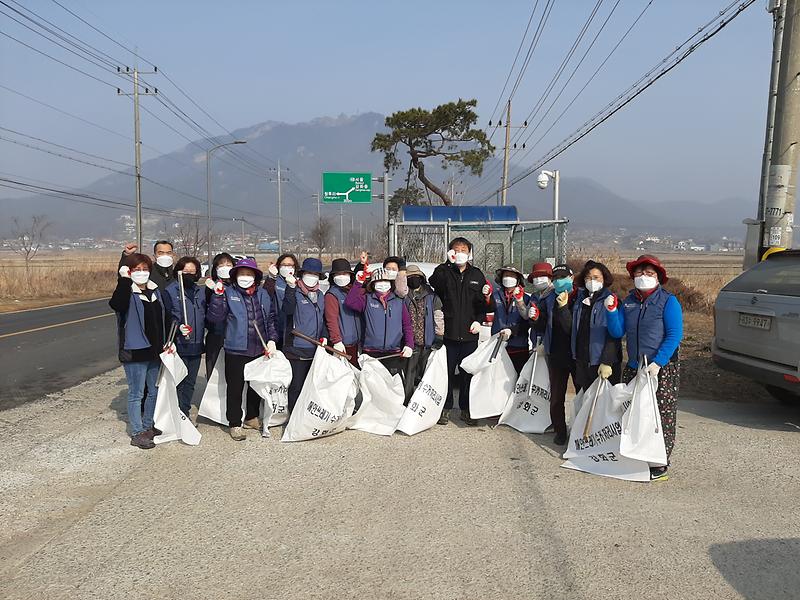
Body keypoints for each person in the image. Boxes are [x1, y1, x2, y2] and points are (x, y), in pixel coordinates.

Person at [605, 254, 683, 481]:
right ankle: (635, 456)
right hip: (634, 366)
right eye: (639, 273)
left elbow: (674, 334)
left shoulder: (668, 302)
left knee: (661, 416)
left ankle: (660, 462)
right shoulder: (628, 301)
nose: (644, 277)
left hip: (661, 368)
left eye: (650, 273)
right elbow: (618, 332)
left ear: (658, 277)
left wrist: (659, 362)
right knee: (633, 414)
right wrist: (611, 312)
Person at [206, 257, 278, 441]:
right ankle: (235, 423)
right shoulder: (228, 293)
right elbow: (215, 318)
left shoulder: (262, 295)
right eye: (242, 274)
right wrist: (217, 296)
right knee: (235, 388)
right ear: (236, 276)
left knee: (255, 386)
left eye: (249, 274)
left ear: (255, 276)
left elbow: (269, 319)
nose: (245, 277)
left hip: (258, 348)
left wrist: (272, 340)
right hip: (236, 348)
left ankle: (252, 417)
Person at [429, 237, 495, 426]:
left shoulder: (476, 274)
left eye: (463, 249)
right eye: (455, 250)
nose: (459, 253)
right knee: (447, 373)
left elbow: (483, 303)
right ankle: (446, 408)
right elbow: (435, 282)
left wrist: (478, 321)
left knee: (468, 374)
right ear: (450, 253)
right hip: (448, 335)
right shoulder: (444, 272)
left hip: (469, 335)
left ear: (470, 253)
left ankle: (467, 409)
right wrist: (447, 264)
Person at [110, 253, 173, 449]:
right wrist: (123, 280)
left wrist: (169, 340)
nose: (142, 272)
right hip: (135, 352)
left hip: (155, 351)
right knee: (136, 394)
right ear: (129, 271)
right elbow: (116, 305)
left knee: (152, 391)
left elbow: (163, 319)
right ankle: (137, 432)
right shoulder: (127, 292)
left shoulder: (155, 292)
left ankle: (148, 426)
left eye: (145, 269)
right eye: (136, 269)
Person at [530, 263, 575, 446]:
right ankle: (560, 430)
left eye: (562, 278)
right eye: (555, 279)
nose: (558, 282)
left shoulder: (578, 298)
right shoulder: (549, 299)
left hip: (575, 354)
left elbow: (572, 328)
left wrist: (564, 308)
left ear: (571, 278)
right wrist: (536, 319)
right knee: (556, 397)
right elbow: (543, 325)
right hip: (555, 353)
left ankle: (579, 430)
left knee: (581, 394)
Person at [345, 267, 414, 377]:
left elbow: (407, 325)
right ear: (373, 284)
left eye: (386, 281)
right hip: (371, 352)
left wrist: (409, 344)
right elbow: (350, 302)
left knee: (392, 388)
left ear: (391, 283)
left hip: (394, 353)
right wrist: (358, 282)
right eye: (379, 281)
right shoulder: (367, 299)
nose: (383, 284)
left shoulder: (398, 301)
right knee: (373, 389)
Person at [282, 257, 327, 412]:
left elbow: (323, 319)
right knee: (296, 386)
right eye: (308, 272)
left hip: (315, 349)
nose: (311, 276)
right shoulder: (295, 292)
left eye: (315, 274)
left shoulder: (320, 295)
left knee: (311, 386)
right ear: (302, 274)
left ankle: (306, 416)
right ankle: (294, 415)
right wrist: (290, 289)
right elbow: (287, 310)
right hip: (297, 348)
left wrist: (324, 336)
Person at [163, 257, 205, 419]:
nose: (189, 275)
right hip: (179, 343)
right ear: (178, 272)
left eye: (192, 272)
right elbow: (167, 316)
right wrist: (178, 326)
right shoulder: (171, 291)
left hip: (196, 343)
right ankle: (175, 412)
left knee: (190, 382)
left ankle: (184, 412)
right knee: (178, 380)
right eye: (185, 271)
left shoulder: (199, 291)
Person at [571, 260, 622, 393]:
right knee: (583, 404)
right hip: (582, 359)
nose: (591, 281)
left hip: (602, 363)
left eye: (596, 277)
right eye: (588, 278)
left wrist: (607, 360)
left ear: (604, 279)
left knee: (603, 406)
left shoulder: (611, 301)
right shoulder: (580, 301)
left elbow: (615, 335)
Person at [403, 264, 444, 402]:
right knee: (409, 374)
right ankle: (407, 400)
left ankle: (424, 401)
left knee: (426, 374)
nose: (414, 279)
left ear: (422, 278)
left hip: (428, 341)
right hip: (410, 343)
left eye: (416, 277)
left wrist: (439, 335)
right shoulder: (403, 295)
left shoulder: (432, 296)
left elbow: (438, 316)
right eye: (410, 277)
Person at [324, 258, 363, 367]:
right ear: (333, 276)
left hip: (356, 344)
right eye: (338, 274)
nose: (342, 276)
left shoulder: (352, 291)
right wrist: (336, 341)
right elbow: (331, 319)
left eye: (345, 273)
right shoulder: (332, 295)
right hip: (342, 345)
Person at [491, 265, 530, 374]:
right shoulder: (494, 296)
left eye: (512, 276)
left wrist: (512, 331)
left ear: (518, 280)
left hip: (518, 346)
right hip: (497, 344)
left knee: (517, 379)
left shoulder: (525, 298)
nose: (508, 278)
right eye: (506, 275)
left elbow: (528, 322)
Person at [204, 252, 235, 377]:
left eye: (229, 264)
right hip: (216, 335)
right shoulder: (210, 287)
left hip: (234, 336)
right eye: (221, 265)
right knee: (214, 373)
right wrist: (215, 293)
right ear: (215, 269)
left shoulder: (238, 287)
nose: (225, 267)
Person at [263, 253, 298, 349]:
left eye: (290, 265)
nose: (287, 267)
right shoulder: (275, 281)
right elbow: (266, 296)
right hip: (276, 326)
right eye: (284, 265)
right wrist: (271, 277)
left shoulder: (298, 283)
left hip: (293, 330)